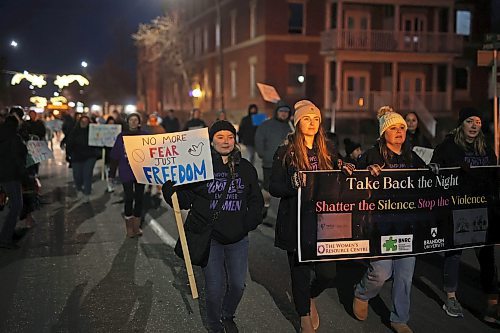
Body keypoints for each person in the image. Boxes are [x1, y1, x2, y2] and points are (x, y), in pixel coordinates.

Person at [162, 120, 264, 333]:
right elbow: (185, 200)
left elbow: (256, 199)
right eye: (220, 137)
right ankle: (215, 324)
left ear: (235, 140)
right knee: (215, 287)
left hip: (238, 238)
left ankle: (227, 315)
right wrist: (170, 191)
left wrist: (248, 222)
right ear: (211, 140)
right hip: (210, 238)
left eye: (229, 137)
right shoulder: (199, 167)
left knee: (238, 285)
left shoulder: (246, 168)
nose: (225, 141)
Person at [269, 100, 349, 333]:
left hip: (324, 221)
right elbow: (274, 186)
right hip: (295, 220)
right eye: (306, 119)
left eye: (315, 119)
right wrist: (291, 185)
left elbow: (341, 168)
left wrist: (346, 165)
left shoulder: (328, 148)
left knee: (327, 273)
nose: (312, 123)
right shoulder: (286, 150)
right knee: (300, 271)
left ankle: (309, 295)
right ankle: (303, 313)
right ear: (297, 123)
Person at [352, 106, 426, 333]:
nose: (398, 132)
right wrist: (366, 171)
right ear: (383, 132)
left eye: (402, 127)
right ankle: (363, 293)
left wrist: (432, 172)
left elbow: (426, 183)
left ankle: (399, 318)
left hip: (407, 225)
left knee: (404, 276)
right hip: (380, 225)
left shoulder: (412, 157)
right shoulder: (372, 154)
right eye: (393, 128)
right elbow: (352, 178)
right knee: (381, 272)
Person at [431, 106, 499, 323]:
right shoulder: (449, 145)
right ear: (462, 124)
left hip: (482, 208)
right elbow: (435, 165)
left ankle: (492, 302)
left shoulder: (485, 147)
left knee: (486, 254)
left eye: (477, 122)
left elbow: (493, 175)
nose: (474, 126)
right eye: (470, 121)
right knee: (454, 251)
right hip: (458, 208)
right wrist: (434, 167)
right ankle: (451, 296)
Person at [110, 113, 147, 238]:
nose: (133, 122)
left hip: (141, 171)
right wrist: (112, 173)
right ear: (128, 122)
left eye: (136, 120)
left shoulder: (145, 136)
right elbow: (115, 156)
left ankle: (137, 227)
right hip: (126, 171)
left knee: (140, 198)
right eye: (131, 120)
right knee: (129, 197)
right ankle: (129, 228)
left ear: (139, 122)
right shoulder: (121, 136)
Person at [0, 116, 27, 249]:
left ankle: (8, 232)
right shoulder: (15, 138)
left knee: (13, 204)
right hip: (12, 175)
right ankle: (5, 237)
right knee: (17, 205)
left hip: (4, 175)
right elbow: (20, 154)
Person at [255, 100, 293, 192]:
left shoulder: (291, 127)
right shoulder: (266, 125)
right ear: (276, 112)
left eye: (286, 112)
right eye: (281, 111)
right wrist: (263, 154)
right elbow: (259, 140)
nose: (284, 114)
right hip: (270, 163)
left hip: (287, 164)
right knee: (269, 187)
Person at [65, 115, 99, 202]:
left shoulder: (93, 132)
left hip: (90, 156)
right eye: (82, 121)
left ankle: (87, 193)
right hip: (76, 157)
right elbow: (69, 144)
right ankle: (79, 188)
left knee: (87, 174)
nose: (84, 123)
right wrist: (69, 154)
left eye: (86, 122)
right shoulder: (74, 132)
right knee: (77, 175)